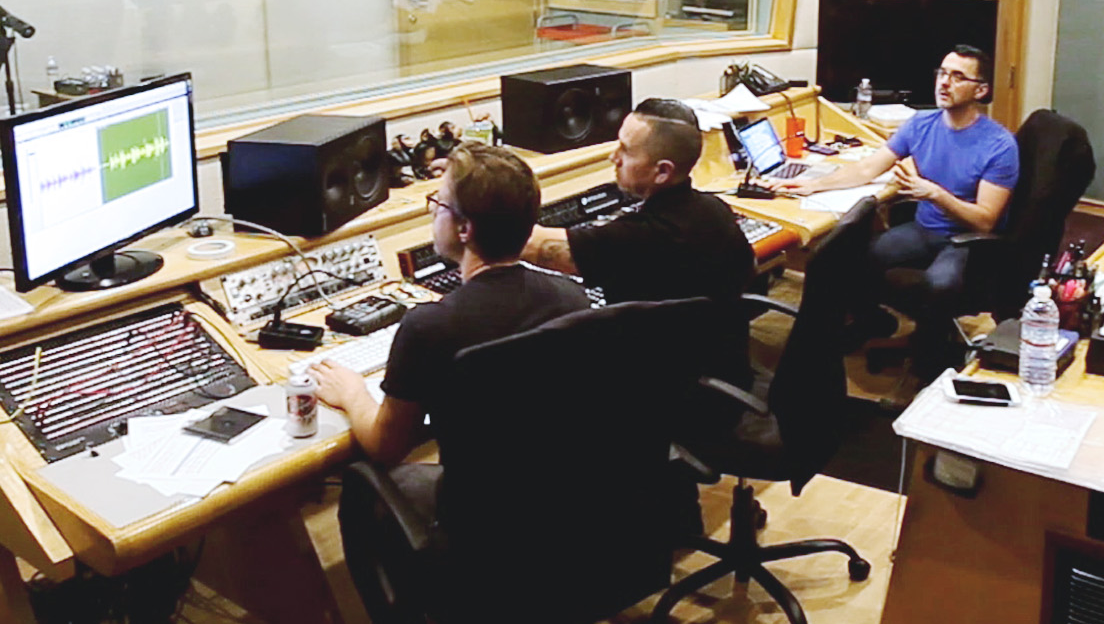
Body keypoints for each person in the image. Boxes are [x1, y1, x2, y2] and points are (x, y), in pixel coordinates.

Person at [310, 143, 588, 466]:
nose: (432, 210)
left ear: (465, 228)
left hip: (474, 497)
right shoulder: (572, 299)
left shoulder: (429, 326)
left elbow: (385, 448)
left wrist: (352, 393)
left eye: (439, 203)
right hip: (562, 487)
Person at [776, 44, 1018, 372]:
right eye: (943, 73)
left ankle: (929, 365)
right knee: (845, 259)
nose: (945, 82)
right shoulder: (921, 124)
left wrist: (935, 194)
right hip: (924, 229)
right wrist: (813, 185)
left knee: (939, 286)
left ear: (981, 90)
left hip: (964, 241)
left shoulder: (999, 145)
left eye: (958, 77)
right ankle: (873, 322)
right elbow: (867, 168)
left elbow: (985, 221)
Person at [523, 97, 755, 386]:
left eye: (626, 150)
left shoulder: (642, 236)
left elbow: (536, 246)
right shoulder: (715, 209)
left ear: (662, 171)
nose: (614, 157)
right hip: (721, 369)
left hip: (668, 391)